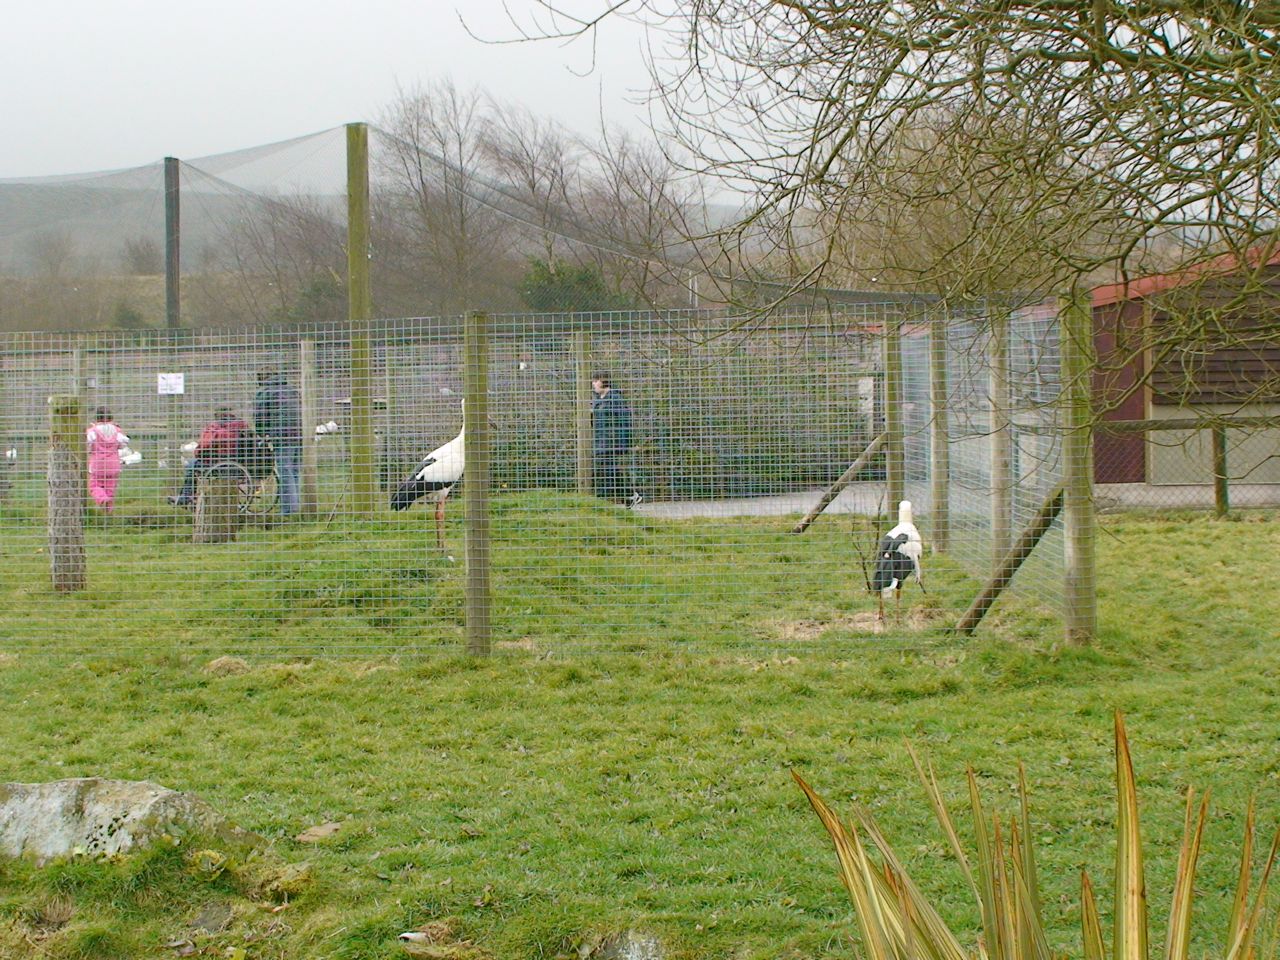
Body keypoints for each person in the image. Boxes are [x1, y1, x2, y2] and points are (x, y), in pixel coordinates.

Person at [168, 407, 249, 507]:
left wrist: (198, 452)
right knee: (194, 464)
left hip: (219, 465)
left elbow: (204, 447)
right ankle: (187, 496)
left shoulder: (217, 430)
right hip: (235, 464)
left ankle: (186, 497)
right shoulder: (240, 426)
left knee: (191, 465)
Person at [253, 370, 303, 515]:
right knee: (294, 470)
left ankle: (289, 510)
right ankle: (295, 506)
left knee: (285, 471)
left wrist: (262, 434)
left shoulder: (265, 392)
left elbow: (260, 417)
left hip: (282, 435)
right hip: (299, 433)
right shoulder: (292, 390)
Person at [590, 372, 640, 505]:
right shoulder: (597, 400)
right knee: (609, 470)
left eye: (596, 380)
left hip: (611, 442)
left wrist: (626, 443)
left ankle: (603, 501)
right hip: (599, 441)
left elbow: (625, 420)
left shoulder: (615, 398)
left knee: (606, 471)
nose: (593, 384)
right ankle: (629, 495)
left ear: (603, 381)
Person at [85, 407, 130, 513]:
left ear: (97, 418)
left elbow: (87, 442)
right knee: (110, 488)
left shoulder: (93, 431)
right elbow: (124, 443)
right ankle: (108, 511)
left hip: (98, 465)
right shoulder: (116, 431)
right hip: (113, 465)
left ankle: (103, 499)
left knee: (94, 486)